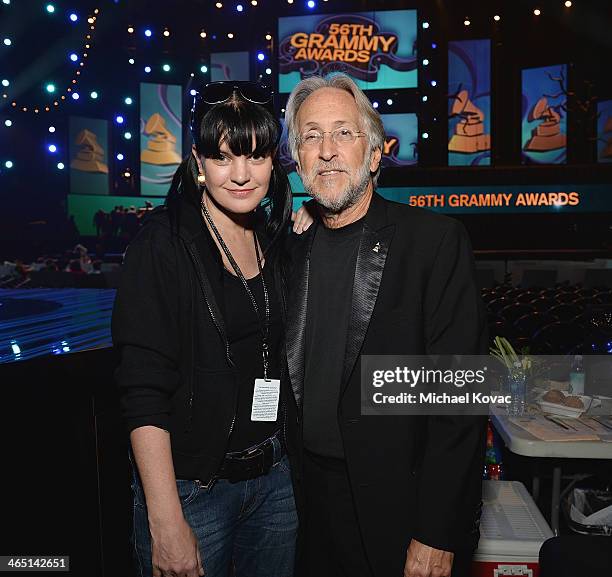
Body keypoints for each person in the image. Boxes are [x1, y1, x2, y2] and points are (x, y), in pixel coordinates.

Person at [284, 73, 488, 577]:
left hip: (399, 511)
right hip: (300, 509)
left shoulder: (433, 242)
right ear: (298, 158)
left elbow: (461, 399)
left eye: (343, 133)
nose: (327, 150)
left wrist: (437, 529)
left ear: (374, 156)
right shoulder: (285, 247)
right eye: (311, 136)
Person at [112, 81, 311, 577]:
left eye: (256, 156)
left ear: (273, 162)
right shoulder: (162, 248)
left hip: (275, 480)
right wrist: (166, 521)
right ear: (198, 164)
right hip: (193, 492)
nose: (241, 175)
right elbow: (143, 391)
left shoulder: (273, 236)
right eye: (223, 158)